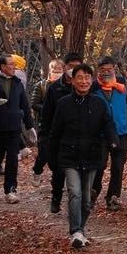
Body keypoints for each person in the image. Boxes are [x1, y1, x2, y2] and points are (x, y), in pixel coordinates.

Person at [48, 63, 118, 248]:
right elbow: (55, 132)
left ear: (91, 80)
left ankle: (80, 229)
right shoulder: (64, 104)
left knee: (86, 200)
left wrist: (113, 140)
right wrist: (51, 158)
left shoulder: (99, 103)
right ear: (72, 80)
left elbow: (108, 125)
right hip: (69, 155)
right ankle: (76, 231)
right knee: (75, 192)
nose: (84, 81)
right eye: (80, 77)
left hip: (91, 156)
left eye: (87, 78)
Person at [0, 55, 37, 202]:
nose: (14, 67)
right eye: (11, 64)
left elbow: (25, 106)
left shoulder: (17, 83)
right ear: (3, 66)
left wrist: (30, 126)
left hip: (14, 128)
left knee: (12, 160)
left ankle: (10, 190)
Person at [92, 57, 127, 210]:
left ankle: (113, 196)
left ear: (114, 69)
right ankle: (93, 191)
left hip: (121, 131)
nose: (106, 72)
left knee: (118, 165)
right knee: (99, 164)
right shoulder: (93, 86)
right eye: (103, 70)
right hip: (100, 133)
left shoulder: (122, 82)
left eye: (109, 69)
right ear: (98, 70)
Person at [37, 52, 83, 213]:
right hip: (58, 136)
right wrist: (44, 136)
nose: (73, 69)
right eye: (71, 66)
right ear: (65, 67)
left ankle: (76, 202)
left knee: (79, 170)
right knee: (58, 171)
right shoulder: (54, 88)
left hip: (79, 135)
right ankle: (56, 197)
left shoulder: (85, 86)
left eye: (77, 66)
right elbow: (46, 114)